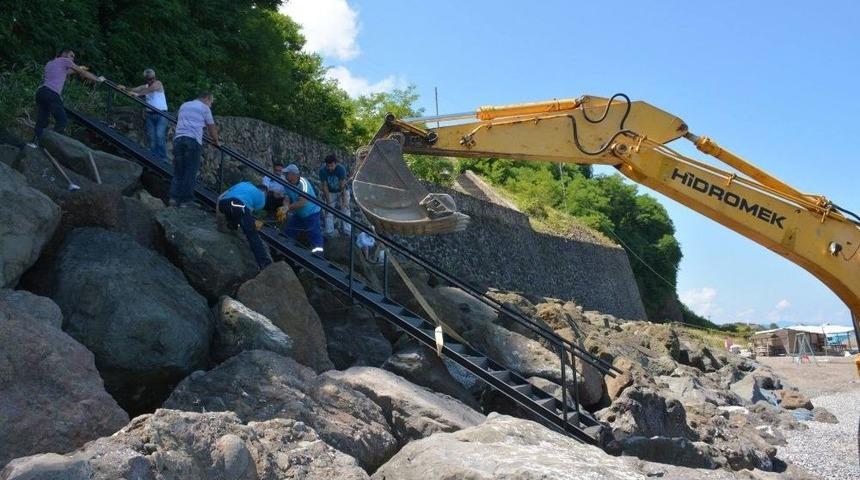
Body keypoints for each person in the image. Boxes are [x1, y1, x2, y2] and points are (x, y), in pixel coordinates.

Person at [30, 48, 104, 147]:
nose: (72, 59)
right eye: (71, 55)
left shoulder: (50, 63)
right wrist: (98, 79)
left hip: (41, 92)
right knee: (62, 119)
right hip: (52, 93)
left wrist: (79, 68)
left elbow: (67, 72)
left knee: (42, 119)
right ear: (64, 54)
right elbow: (84, 73)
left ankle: (34, 143)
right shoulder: (65, 60)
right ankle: (51, 145)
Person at [171, 92, 219, 207]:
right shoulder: (204, 108)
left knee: (179, 170)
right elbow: (211, 127)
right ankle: (185, 200)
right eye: (211, 102)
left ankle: (173, 198)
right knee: (190, 170)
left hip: (178, 139)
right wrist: (216, 141)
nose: (210, 105)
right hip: (192, 140)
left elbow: (178, 118)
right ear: (206, 98)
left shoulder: (185, 105)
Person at [217, 181, 272, 269]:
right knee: (252, 234)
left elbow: (222, 195)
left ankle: (230, 226)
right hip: (239, 205)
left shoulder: (244, 184)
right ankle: (264, 263)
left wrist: (218, 218)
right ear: (265, 193)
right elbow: (252, 211)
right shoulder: (262, 196)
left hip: (224, 203)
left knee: (235, 217)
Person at [122, 69, 168, 161]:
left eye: (153, 78)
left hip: (161, 114)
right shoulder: (145, 86)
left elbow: (151, 89)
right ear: (146, 79)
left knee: (159, 135)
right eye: (149, 79)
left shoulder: (158, 83)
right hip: (150, 114)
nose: (151, 80)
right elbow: (135, 89)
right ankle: (154, 158)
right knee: (152, 137)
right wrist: (125, 88)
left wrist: (137, 94)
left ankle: (163, 159)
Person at [282, 163, 324, 254]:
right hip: (299, 214)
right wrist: (285, 206)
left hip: (312, 213)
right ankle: (286, 249)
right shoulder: (287, 183)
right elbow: (286, 197)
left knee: (314, 234)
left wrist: (287, 208)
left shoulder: (303, 183)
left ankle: (319, 256)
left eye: (287, 174)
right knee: (290, 230)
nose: (285, 175)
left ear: (294, 175)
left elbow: (302, 203)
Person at [318, 154, 351, 236]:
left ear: (336, 164)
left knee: (345, 209)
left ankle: (347, 231)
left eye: (332, 166)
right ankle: (329, 232)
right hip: (330, 191)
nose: (330, 168)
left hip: (342, 190)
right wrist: (328, 202)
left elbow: (342, 186)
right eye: (328, 166)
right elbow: (325, 186)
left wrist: (345, 201)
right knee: (328, 210)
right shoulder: (322, 171)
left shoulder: (341, 169)